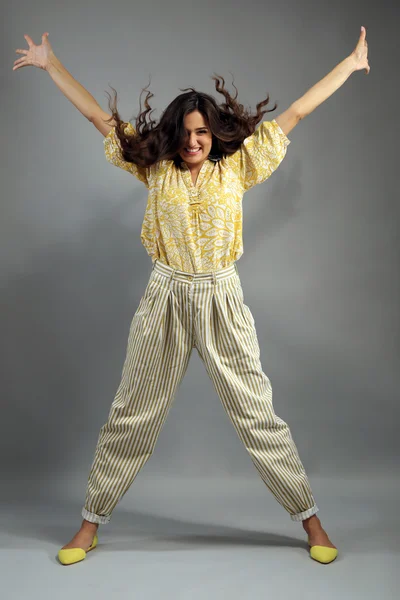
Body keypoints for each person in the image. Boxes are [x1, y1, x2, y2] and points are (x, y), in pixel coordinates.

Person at [13, 28, 369, 567]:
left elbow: (295, 112)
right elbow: (98, 119)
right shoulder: (154, 166)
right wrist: (51, 62)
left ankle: (312, 520)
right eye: (185, 132)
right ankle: (88, 525)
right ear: (173, 135)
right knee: (132, 411)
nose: (194, 141)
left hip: (222, 297)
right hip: (166, 297)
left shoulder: (238, 167)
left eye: (202, 132)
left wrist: (350, 63)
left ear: (214, 134)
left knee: (257, 412)